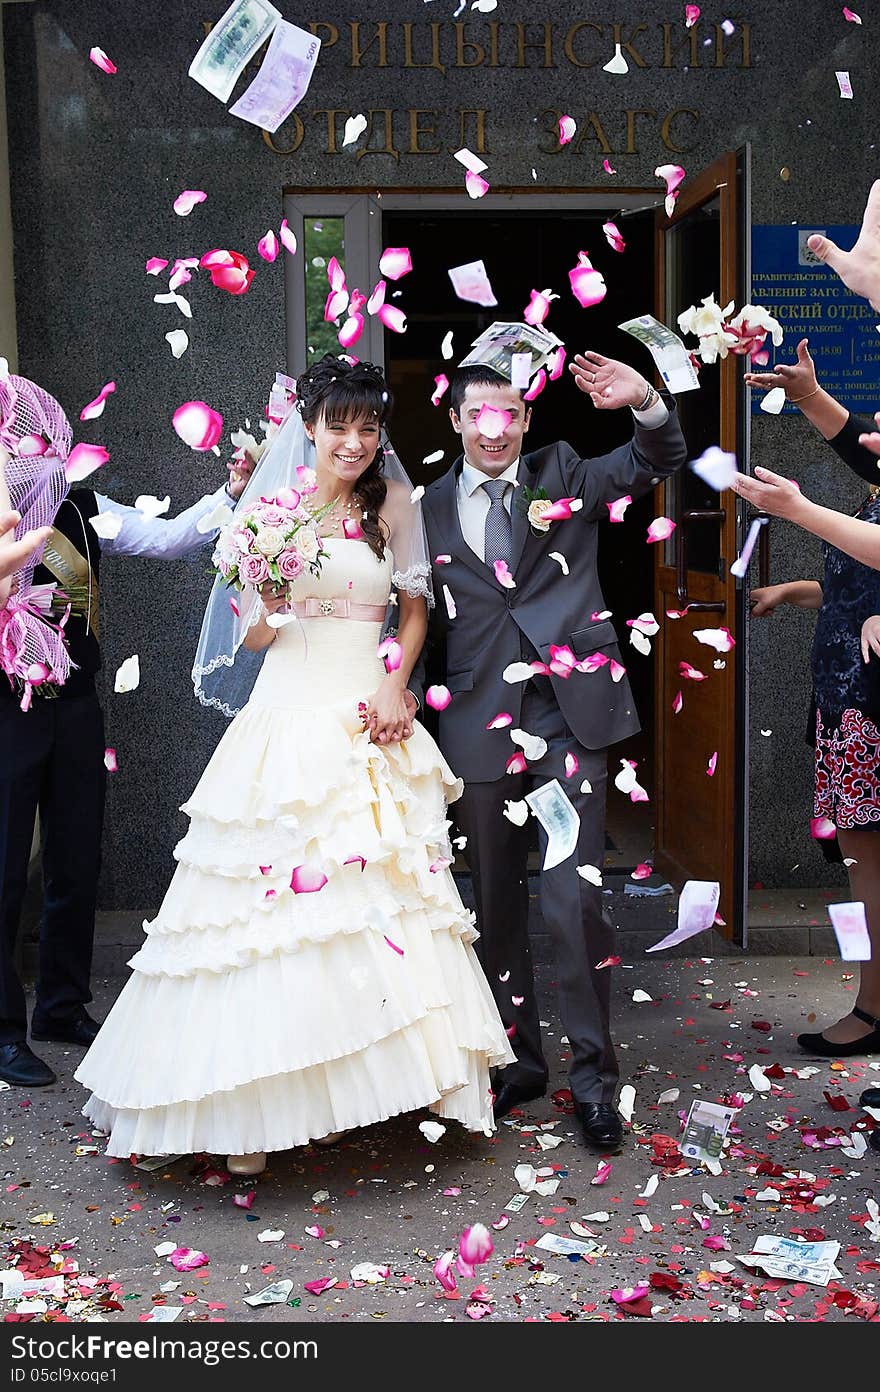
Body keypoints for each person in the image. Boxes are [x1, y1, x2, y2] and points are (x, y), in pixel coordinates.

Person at [76, 355, 515, 1176]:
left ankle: (346, 1093)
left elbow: (413, 608)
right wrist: (268, 601)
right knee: (265, 924)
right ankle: (256, 1112)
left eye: (367, 427)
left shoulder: (396, 502)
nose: (353, 442)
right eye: (338, 426)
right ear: (306, 428)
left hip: (365, 714)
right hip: (286, 712)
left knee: (367, 910)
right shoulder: (265, 510)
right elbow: (250, 637)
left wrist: (395, 680)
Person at [411, 341, 688, 1151]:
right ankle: (518, 1061)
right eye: (478, 415)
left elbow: (654, 459)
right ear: (457, 420)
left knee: (576, 901)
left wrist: (648, 402)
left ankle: (596, 1079)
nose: (494, 429)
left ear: (525, 418)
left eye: (509, 414)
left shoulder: (563, 472)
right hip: (475, 723)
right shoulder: (421, 507)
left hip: (570, 718)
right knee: (493, 902)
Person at [0, 370, 248, 1089]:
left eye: (46, 443)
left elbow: (170, 541)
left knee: (76, 862)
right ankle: (4, 1031)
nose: (39, 455)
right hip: (5, 711)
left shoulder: (83, 509)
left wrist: (229, 496)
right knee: (5, 868)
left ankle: (61, 1006)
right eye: (24, 443)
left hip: (76, 705)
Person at [746, 343, 880, 1055]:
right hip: (845, 702)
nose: (874, 422)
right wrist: (799, 592)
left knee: (873, 875)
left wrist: (796, 510)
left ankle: (873, 1009)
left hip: (870, 713)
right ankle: (871, 1001)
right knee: (863, 871)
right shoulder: (877, 478)